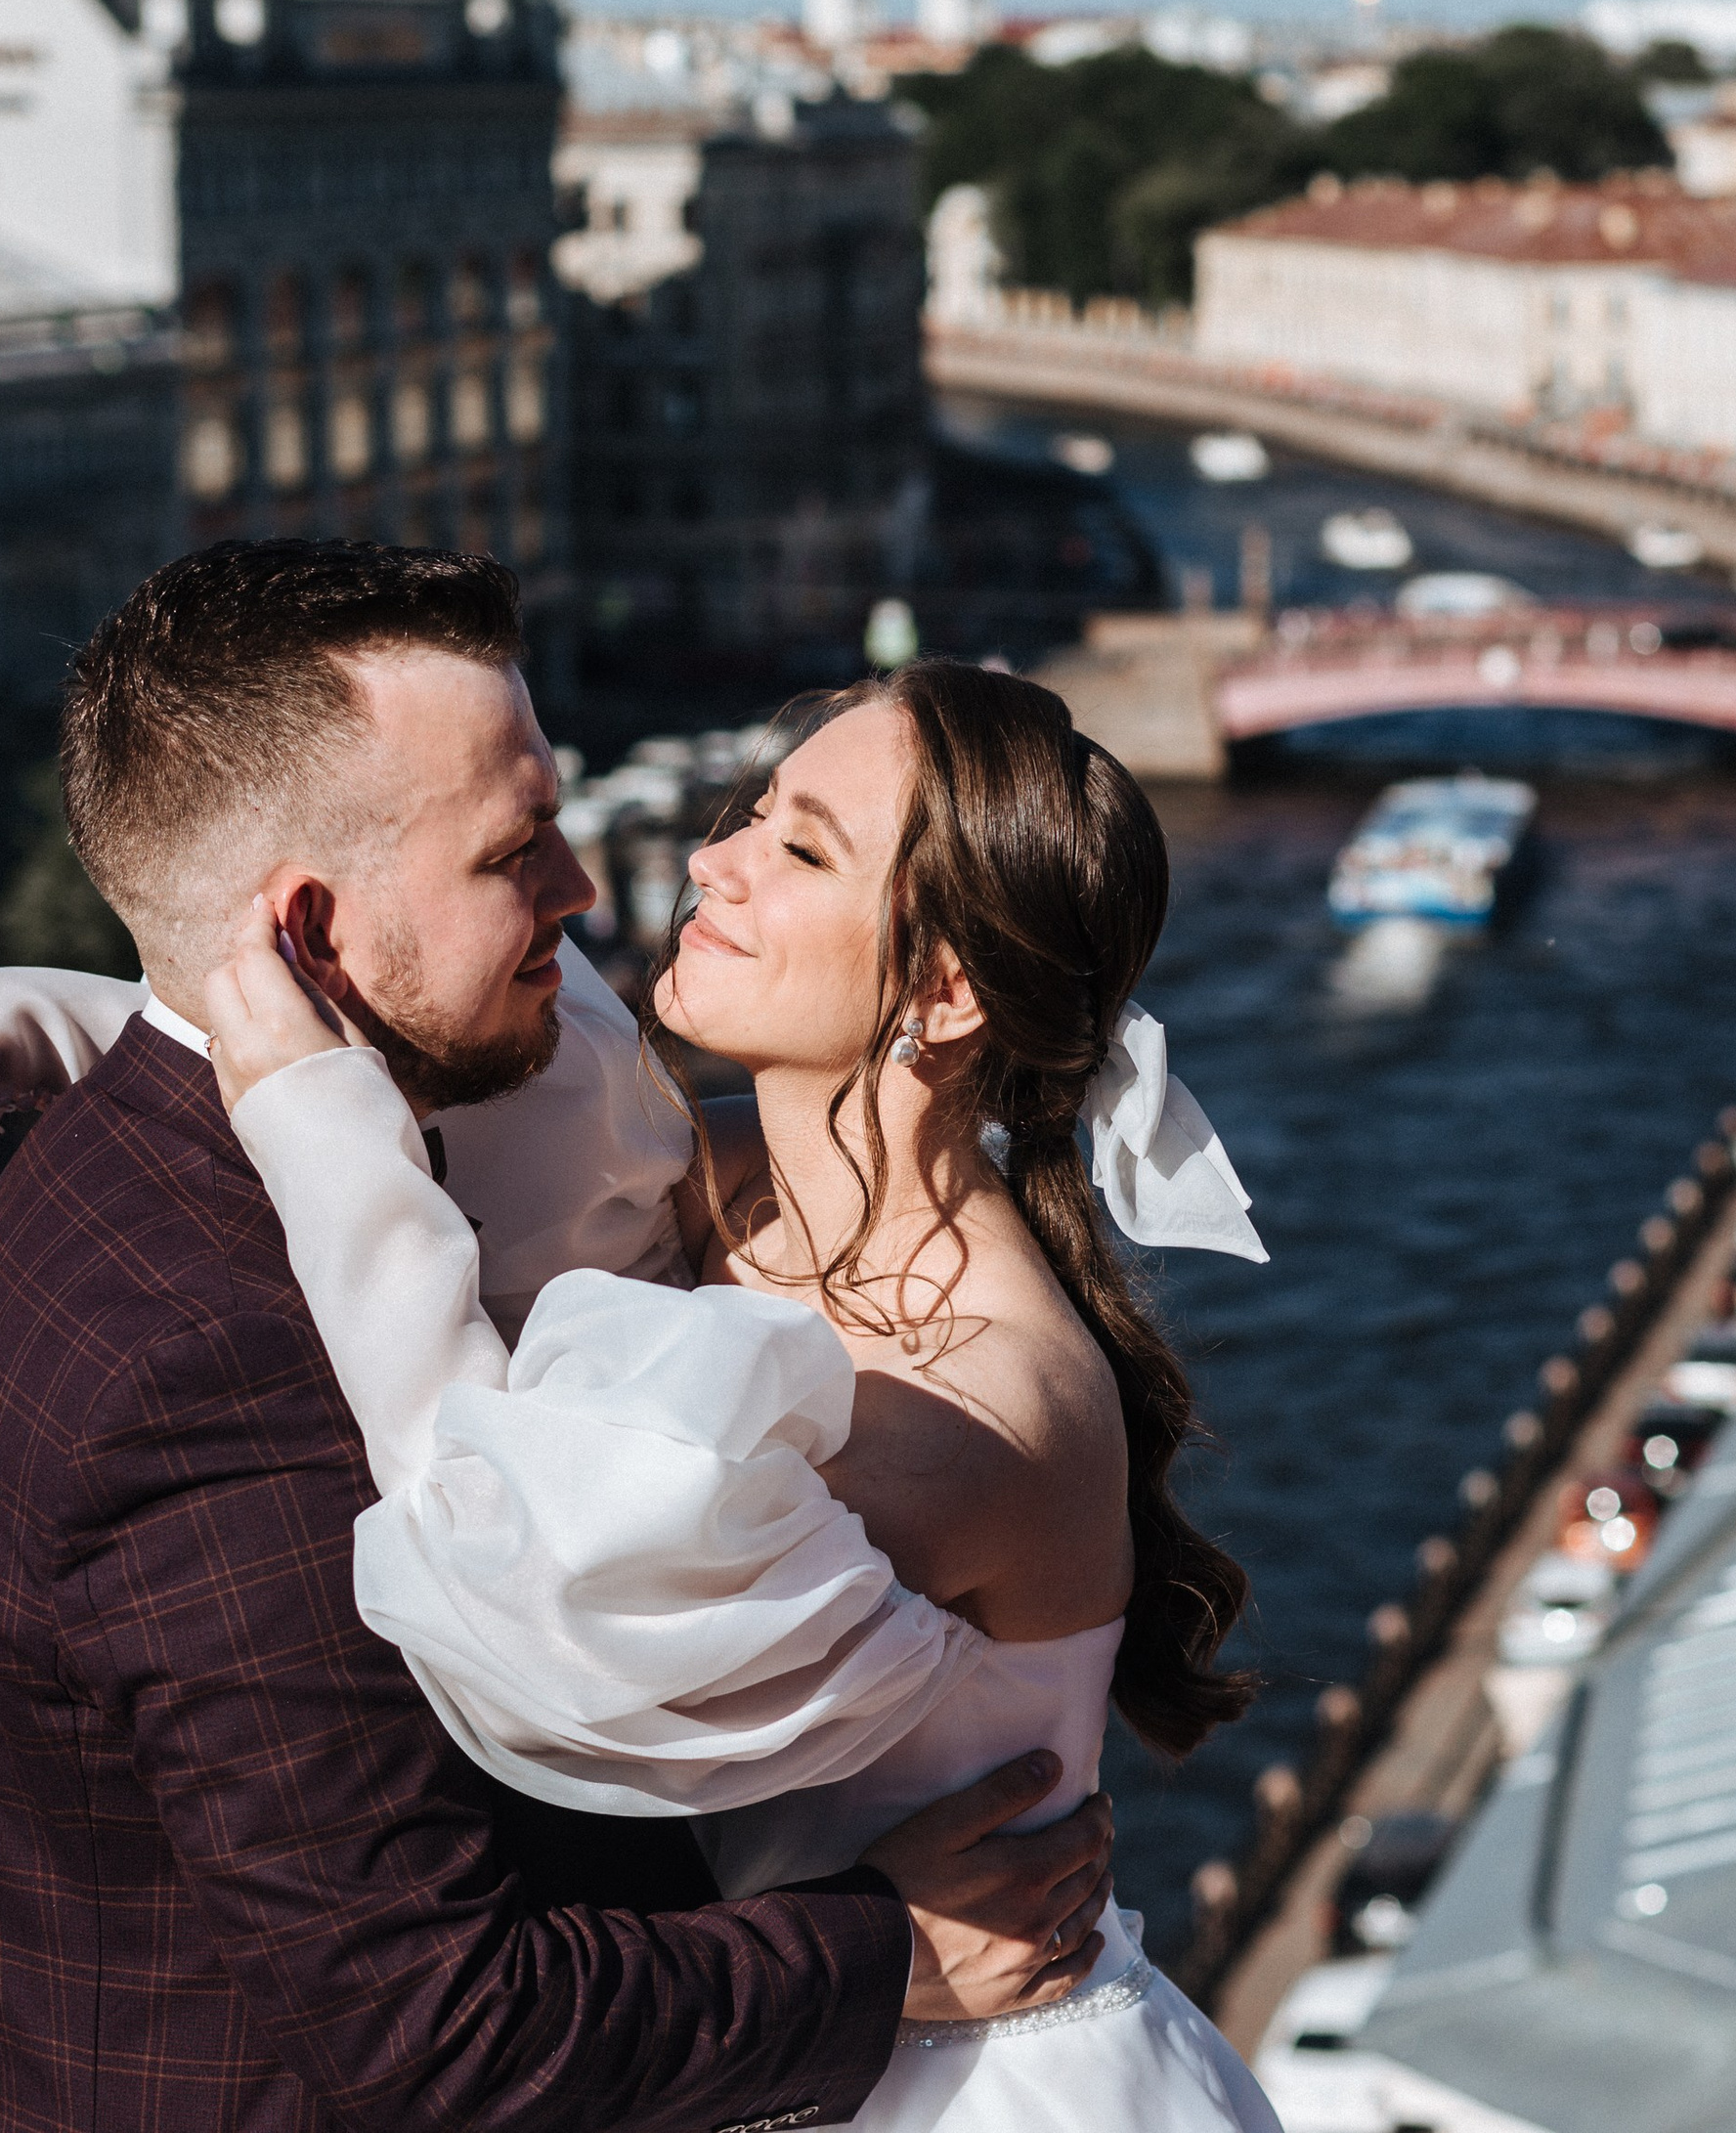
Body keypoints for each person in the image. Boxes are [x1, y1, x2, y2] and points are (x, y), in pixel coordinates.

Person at [0, 543, 1113, 2133]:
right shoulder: (211, 1364)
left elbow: (519, 1534)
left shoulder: (156, 1160)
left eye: (797, 849)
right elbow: (437, 2030)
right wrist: (892, 1955)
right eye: (521, 848)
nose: (608, 887)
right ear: (306, 945)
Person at [194, 655, 1282, 2131]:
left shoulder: (976, 1411)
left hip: (956, 2079)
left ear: (945, 989)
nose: (712, 860)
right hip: (789, 2028)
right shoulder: (706, 1166)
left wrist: (313, 1124)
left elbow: (505, 1567)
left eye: (801, 848)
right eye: (753, 813)